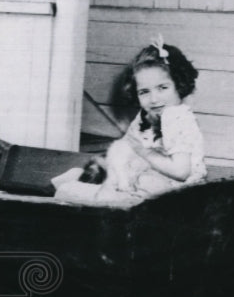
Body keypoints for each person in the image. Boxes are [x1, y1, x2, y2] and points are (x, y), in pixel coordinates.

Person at [52, 37, 206, 204]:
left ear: (180, 85)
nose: (154, 99)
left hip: (174, 192)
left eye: (162, 88)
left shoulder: (176, 118)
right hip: (146, 179)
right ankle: (83, 190)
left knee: (68, 189)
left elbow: (181, 171)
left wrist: (144, 153)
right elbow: (126, 148)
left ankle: (76, 192)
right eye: (144, 92)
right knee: (82, 173)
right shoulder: (148, 115)